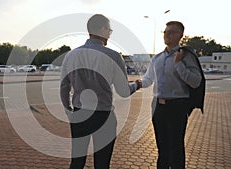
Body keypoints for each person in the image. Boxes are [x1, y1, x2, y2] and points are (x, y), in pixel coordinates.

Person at [60, 14, 140, 169]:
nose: (110, 33)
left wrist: (69, 111)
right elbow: (123, 91)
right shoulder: (113, 56)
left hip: (79, 113)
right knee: (102, 163)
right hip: (103, 115)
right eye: (109, 30)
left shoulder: (71, 55)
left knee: (77, 161)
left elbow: (64, 88)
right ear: (102, 29)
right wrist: (137, 85)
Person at [138, 21, 202, 168]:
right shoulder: (157, 58)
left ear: (180, 35)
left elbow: (196, 82)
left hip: (177, 106)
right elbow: (148, 79)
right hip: (157, 107)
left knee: (176, 148)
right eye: (165, 32)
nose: (167, 35)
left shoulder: (186, 56)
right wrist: (136, 85)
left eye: (171, 32)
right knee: (162, 147)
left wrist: (179, 64)